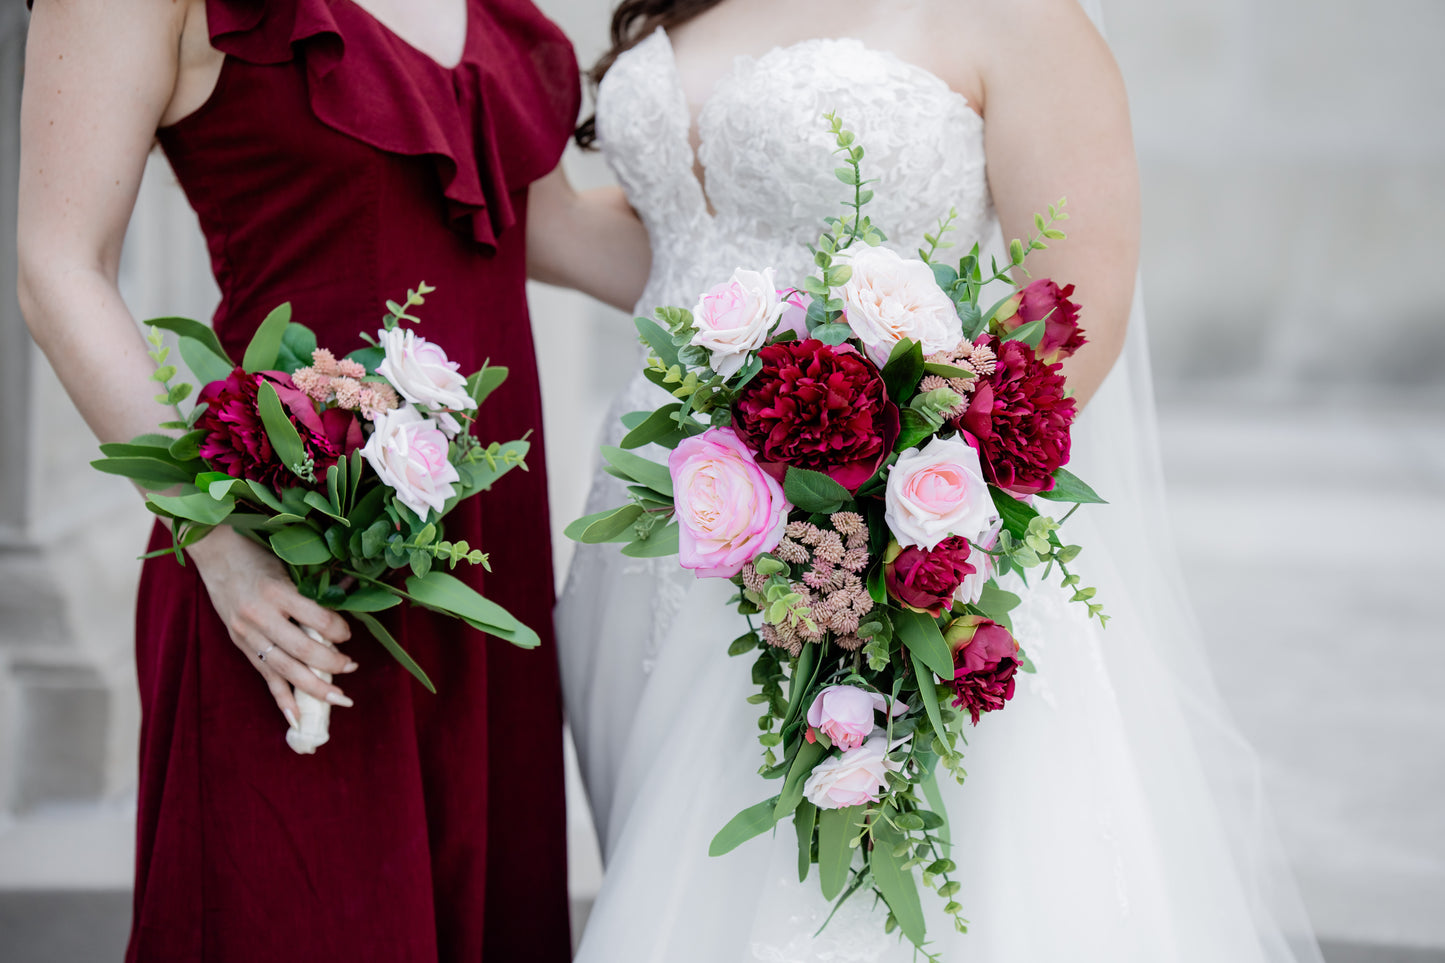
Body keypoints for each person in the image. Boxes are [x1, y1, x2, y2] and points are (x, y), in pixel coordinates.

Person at [548, 0, 1327, 959]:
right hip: (655, 533)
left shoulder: (1020, 19)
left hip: (861, 559)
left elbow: (1070, 315)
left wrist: (887, 532)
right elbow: (672, 252)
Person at [16, 0, 623, 958]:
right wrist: (217, 541)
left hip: (481, 563)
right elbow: (57, 266)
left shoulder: (489, 18)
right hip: (290, 555)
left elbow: (576, 237)